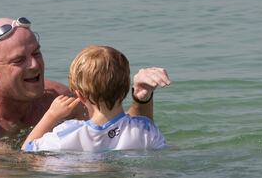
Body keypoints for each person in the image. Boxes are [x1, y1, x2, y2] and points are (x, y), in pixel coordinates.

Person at [0, 17, 171, 148]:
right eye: (19, 60)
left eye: (37, 53)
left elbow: (118, 131)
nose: (35, 65)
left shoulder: (56, 97)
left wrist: (141, 98)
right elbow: (17, 169)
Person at [22, 45, 167, 152]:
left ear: (80, 95)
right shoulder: (145, 130)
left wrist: (51, 116)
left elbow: (27, 150)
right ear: (126, 88)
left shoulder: (65, 135)